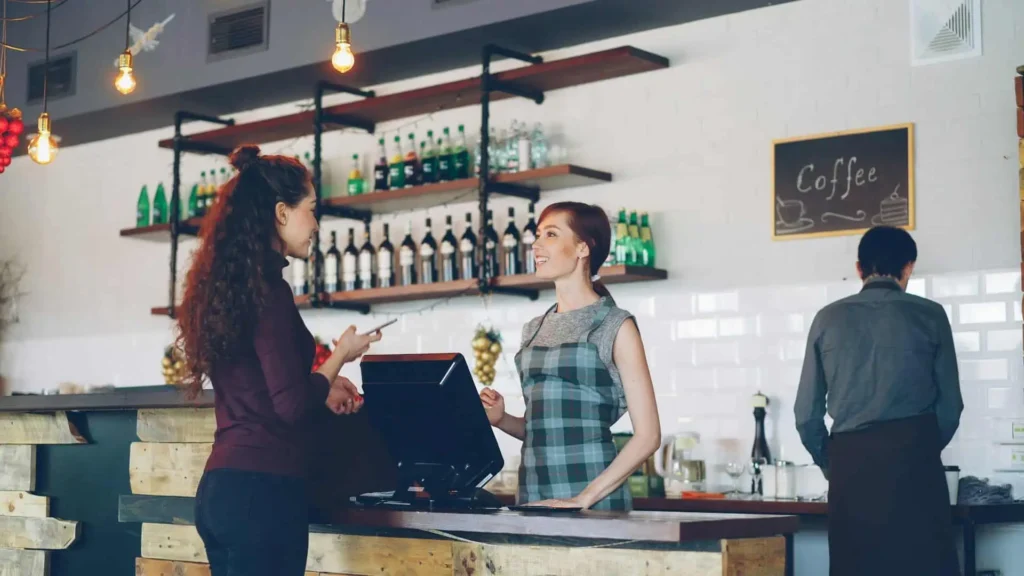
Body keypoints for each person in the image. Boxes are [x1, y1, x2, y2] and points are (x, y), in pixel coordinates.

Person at [175, 145, 381, 576]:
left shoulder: (232, 289)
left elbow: (266, 391)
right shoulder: (270, 291)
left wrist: (322, 386)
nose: (316, 224)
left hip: (221, 489)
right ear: (281, 213)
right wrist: (340, 356)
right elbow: (289, 405)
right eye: (311, 209)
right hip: (262, 495)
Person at [794, 225, 963, 576]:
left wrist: (834, 463)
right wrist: (921, 449)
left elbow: (806, 416)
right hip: (915, 466)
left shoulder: (827, 318)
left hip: (851, 470)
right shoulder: (931, 315)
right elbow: (951, 407)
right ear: (908, 267)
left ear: (859, 268)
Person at [479, 202, 660, 511]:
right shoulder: (533, 329)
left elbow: (648, 436)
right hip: (535, 495)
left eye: (550, 234)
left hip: (595, 501)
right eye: (537, 235)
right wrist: (501, 420)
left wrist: (583, 498)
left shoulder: (615, 325)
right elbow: (545, 429)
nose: (536, 244)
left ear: (582, 248)